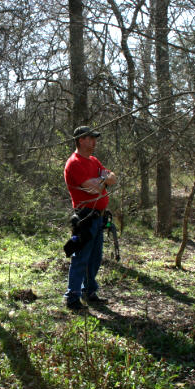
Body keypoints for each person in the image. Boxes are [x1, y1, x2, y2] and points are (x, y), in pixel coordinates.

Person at [63, 126, 117, 311]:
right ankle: (73, 297)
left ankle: (89, 291)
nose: (94, 142)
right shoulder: (74, 163)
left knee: (95, 257)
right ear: (80, 140)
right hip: (85, 217)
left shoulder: (94, 160)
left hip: (99, 217)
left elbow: (112, 177)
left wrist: (101, 180)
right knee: (81, 257)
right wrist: (103, 181)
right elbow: (92, 188)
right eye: (90, 138)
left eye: (95, 138)